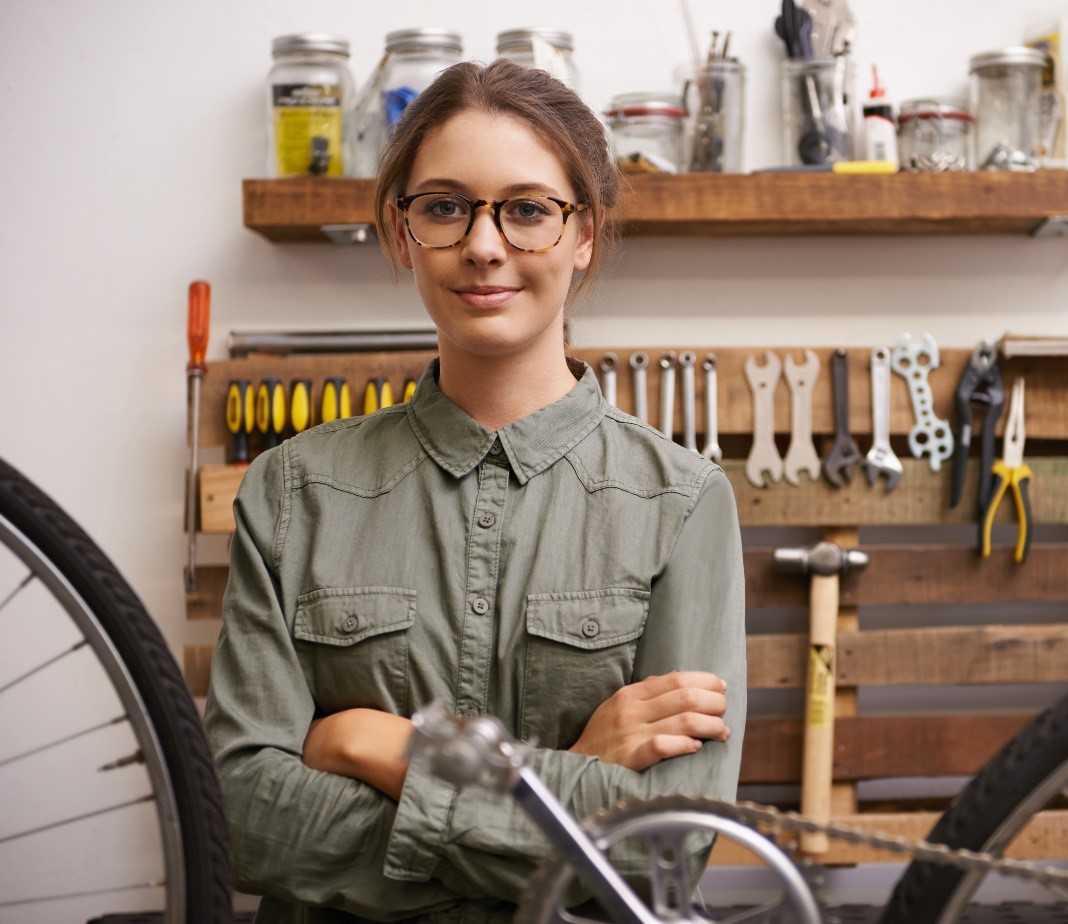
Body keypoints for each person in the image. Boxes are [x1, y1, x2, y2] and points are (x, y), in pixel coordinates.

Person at [203, 59, 747, 923]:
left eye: (528, 209)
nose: (484, 244)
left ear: (585, 236)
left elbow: (658, 852)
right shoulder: (291, 491)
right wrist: (567, 775)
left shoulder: (680, 502)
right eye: (445, 207)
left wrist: (373, 744)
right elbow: (242, 816)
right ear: (399, 232)